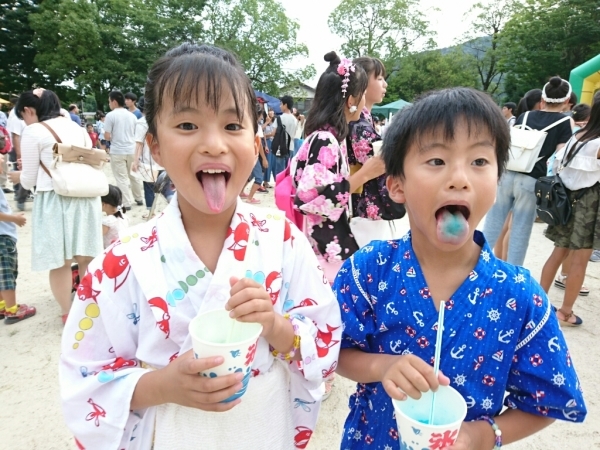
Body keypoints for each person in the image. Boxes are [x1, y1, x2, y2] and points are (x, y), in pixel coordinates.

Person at [59, 43, 341, 450]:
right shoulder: (121, 262)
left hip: (265, 426)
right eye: (188, 126)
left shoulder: (282, 239)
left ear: (254, 136)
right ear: (155, 146)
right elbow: (84, 376)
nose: (214, 144)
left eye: (232, 126)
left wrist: (276, 326)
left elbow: (325, 338)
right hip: (174, 430)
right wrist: (162, 385)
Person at [334, 87, 587, 450]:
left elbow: (547, 401)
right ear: (396, 185)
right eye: (436, 161)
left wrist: (480, 435)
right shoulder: (368, 271)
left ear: (498, 183)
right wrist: (381, 367)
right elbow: (334, 350)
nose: (459, 178)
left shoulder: (519, 295)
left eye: (479, 162)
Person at [14, 88, 103, 325]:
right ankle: (91, 308)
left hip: (54, 198)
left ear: (28, 110)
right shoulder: (77, 127)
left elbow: (29, 179)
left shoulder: (33, 131)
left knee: (61, 262)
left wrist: (17, 177)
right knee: (86, 257)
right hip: (85, 194)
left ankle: (68, 312)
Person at [291, 52, 373, 284]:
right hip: (324, 246)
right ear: (351, 101)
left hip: (322, 243)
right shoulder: (326, 140)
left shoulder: (323, 137)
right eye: (363, 95)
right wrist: (367, 173)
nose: (365, 102)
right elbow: (310, 195)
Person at [483, 77, 573, 266]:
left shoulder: (524, 116)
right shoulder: (565, 123)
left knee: (491, 227)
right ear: (566, 101)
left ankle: (473, 267)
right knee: (520, 232)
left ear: (543, 97)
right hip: (532, 181)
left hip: (507, 174)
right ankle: (513, 276)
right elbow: (560, 156)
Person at [539, 98, 600, 326]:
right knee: (579, 261)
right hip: (589, 204)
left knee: (558, 253)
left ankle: (540, 302)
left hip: (567, 201)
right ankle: (565, 312)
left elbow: (557, 166)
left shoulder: (577, 136)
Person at [347, 56, 405, 244]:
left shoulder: (363, 120)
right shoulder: (359, 124)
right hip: (366, 210)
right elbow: (380, 163)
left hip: (367, 209)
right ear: (362, 83)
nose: (385, 84)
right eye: (379, 79)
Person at [0, 155, 34, 324]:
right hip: (2, 237)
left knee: (1, 274)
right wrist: (14, 218)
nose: (3, 163)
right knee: (7, 273)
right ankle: (12, 309)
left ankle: (2, 305)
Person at [131, 96, 174, 219]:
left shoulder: (142, 122)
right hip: (164, 159)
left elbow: (139, 143)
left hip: (148, 160)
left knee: (149, 188)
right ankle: (171, 202)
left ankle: (151, 212)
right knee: (166, 184)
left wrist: (135, 161)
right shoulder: (162, 119)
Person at [104, 90, 144, 210]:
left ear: (114, 102)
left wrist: (112, 137)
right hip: (131, 149)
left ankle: (126, 203)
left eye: (109, 101)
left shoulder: (110, 115)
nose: (109, 104)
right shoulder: (132, 116)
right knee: (134, 175)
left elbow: (107, 136)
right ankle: (139, 198)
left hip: (117, 151)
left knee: (121, 178)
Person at [272, 96, 297, 176]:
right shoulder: (295, 119)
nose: (280, 106)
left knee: (280, 172)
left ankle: (279, 188)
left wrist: (264, 135)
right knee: (288, 172)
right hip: (291, 148)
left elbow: (273, 133)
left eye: (281, 104)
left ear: (285, 105)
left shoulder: (279, 118)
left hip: (281, 148)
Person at [101, 184, 129, 249]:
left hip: (111, 251)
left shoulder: (107, 222)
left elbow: (97, 238)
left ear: (103, 204)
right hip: (123, 247)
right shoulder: (124, 216)